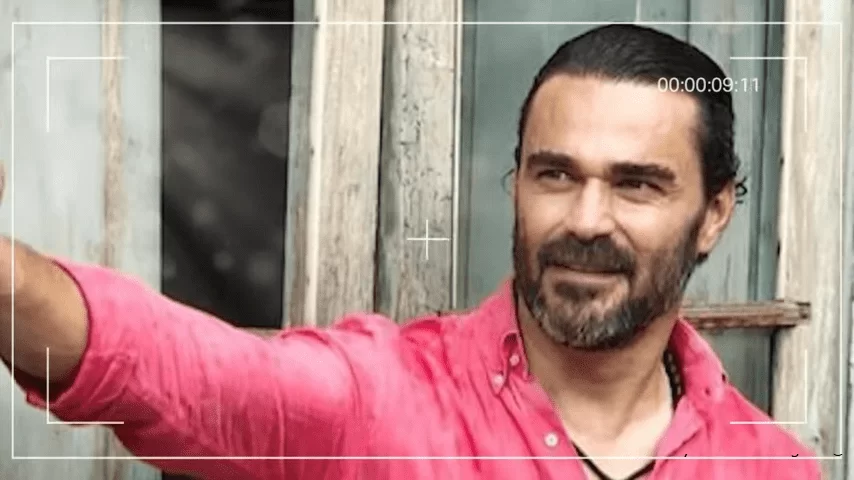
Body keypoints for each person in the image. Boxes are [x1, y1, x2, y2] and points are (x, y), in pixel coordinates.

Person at [1, 24, 819, 480]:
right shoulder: (381, 402)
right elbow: (169, 366)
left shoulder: (770, 469)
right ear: (517, 185)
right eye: (555, 174)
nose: (586, 219)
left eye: (636, 185)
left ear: (713, 214)